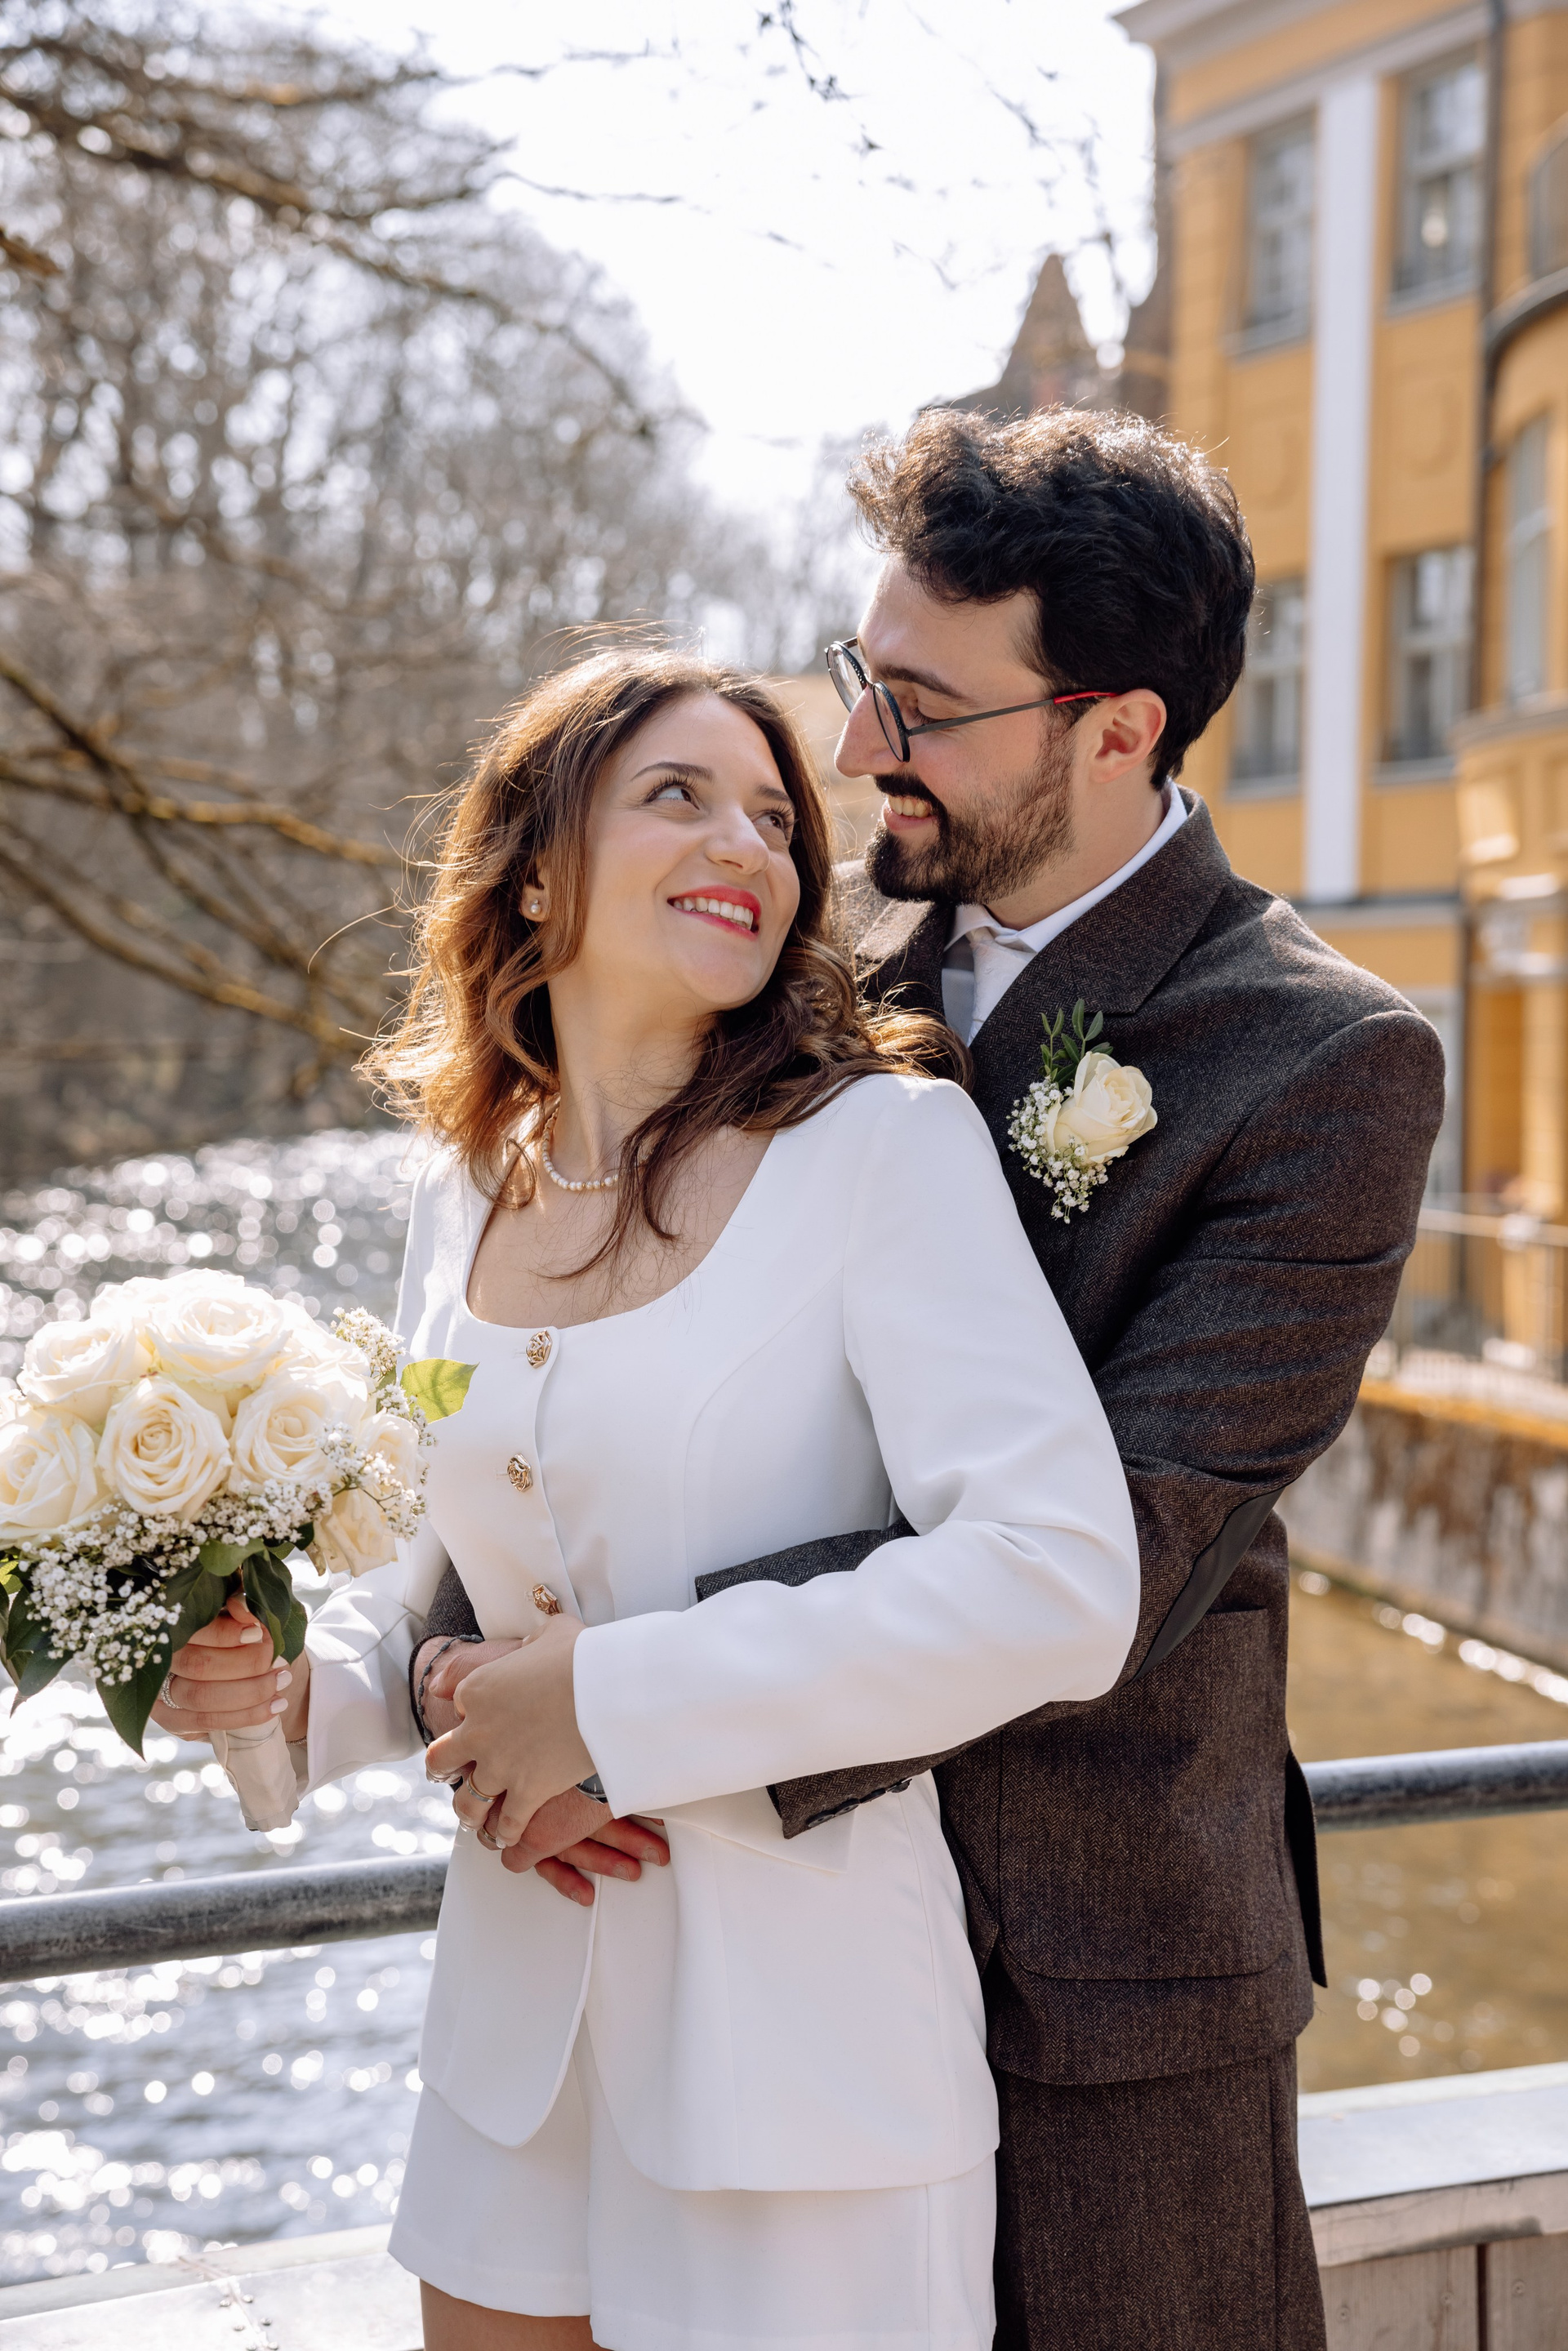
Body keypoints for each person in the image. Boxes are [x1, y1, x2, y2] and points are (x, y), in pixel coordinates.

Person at [425, 410, 1447, 2351]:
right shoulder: (798, 973)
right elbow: (568, 1382)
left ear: (1115, 729)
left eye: (923, 705)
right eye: (860, 672)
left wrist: (612, 1712)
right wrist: (469, 1692)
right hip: (742, 1943)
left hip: (1095, 1972)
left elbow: (1114, 1558)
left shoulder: (1325, 1064)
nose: (857, 748)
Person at [152, 645, 1143, 2351]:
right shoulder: (462, 1186)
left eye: (775, 817)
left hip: (807, 2078)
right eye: (677, 795)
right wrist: (285, 1693)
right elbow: (435, 1579)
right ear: (536, 870)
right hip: (508, 2065)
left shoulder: (884, 1151)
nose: (747, 843)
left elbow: (1056, 1579)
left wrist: (606, 1708)